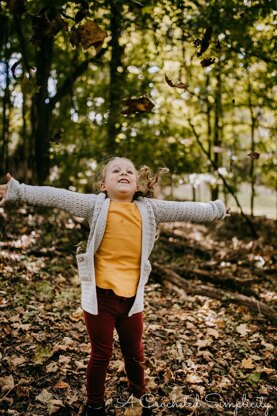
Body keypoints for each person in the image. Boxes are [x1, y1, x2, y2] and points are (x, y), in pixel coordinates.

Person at [0, 157, 229, 416]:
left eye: (129, 171)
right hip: (100, 299)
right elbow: (58, 196)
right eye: (116, 171)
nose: (124, 173)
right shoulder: (96, 205)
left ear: (136, 183)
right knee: (102, 354)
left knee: (135, 353)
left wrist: (216, 209)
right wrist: (18, 190)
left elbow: (186, 209)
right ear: (103, 184)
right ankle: (94, 405)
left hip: (132, 301)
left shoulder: (150, 209)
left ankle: (138, 399)